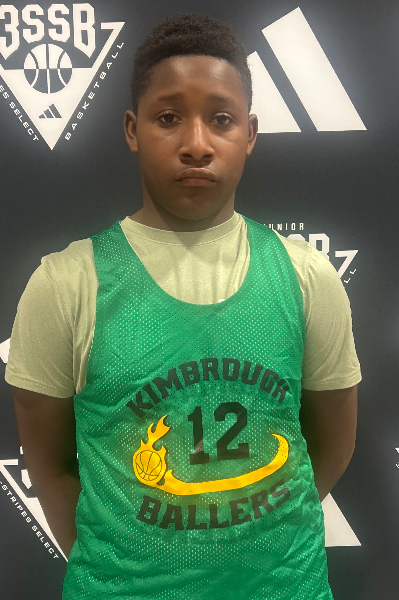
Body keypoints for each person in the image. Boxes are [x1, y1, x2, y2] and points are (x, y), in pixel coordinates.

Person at [6, 12, 361, 600]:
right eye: (168, 118)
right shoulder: (65, 284)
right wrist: (131, 568)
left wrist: (242, 529)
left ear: (249, 133)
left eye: (221, 119)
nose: (197, 145)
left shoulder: (307, 277)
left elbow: (333, 444)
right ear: (132, 129)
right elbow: (51, 466)